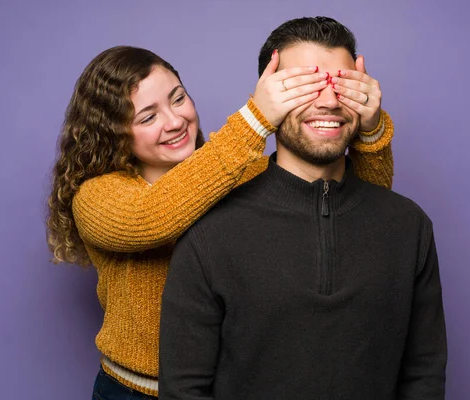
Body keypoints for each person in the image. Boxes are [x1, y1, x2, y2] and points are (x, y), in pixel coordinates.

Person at [46, 43, 395, 399]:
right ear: (114, 133)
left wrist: (369, 131)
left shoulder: (238, 174)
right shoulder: (98, 197)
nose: (174, 121)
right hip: (136, 392)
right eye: (148, 117)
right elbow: (151, 217)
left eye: (178, 98)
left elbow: (360, 212)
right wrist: (255, 120)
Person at [159, 16, 446, 400]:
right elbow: (183, 390)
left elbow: (424, 375)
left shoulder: (409, 226)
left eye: (342, 86)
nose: (328, 101)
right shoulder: (211, 233)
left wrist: (373, 128)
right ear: (268, 99)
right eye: (303, 87)